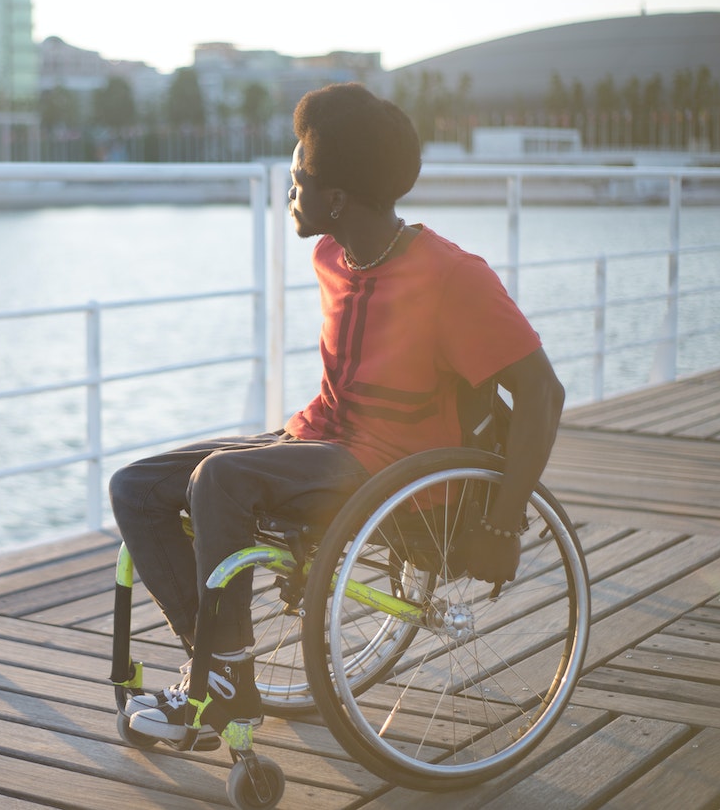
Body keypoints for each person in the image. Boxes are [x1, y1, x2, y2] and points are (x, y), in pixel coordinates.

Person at [110, 83, 565, 742]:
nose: (291, 188)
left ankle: (227, 684)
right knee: (137, 487)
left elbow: (542, 393)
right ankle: (212, 661)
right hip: (320, 436)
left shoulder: (450, 275)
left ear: (337, 198)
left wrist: (499, 525)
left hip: (392, 468)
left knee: (219, 480)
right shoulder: (331, 254)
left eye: (298, 178)